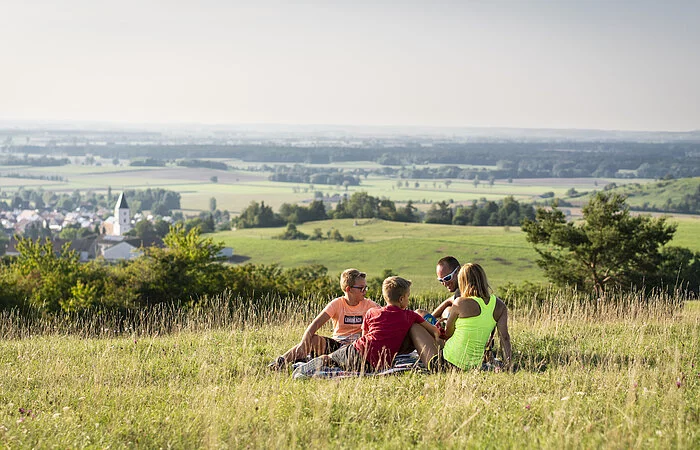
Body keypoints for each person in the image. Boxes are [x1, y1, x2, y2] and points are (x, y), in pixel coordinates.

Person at [294, 276, 440, 375]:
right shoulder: (410, 315)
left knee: (331, 358)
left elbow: (364, 336)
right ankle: (315, 368)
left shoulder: (371, 312)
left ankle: (311, 367)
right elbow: (434, 330)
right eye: (408, 297)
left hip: (358, 351)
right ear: (402, 299)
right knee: (335, 361)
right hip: (377, 364)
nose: (408, 300)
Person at [268, 268, 379, 370]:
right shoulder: (337, 304)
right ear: (348, 289)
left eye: (365, 288)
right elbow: (315, 324)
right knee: (312, 340)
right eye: (361, 288)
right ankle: (281, 362)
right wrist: (303, 343)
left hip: (356, 347)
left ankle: (308, 362)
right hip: (337, 344)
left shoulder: (371, 305)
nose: (365, 291)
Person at [412, 263, 512, 371]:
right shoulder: (500, 305)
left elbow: (448, 334)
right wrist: (508, 365)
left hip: (445, 364)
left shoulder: (460, 303)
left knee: (415, 326)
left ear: (462, 281)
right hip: (473, 367)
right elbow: (505, 338)